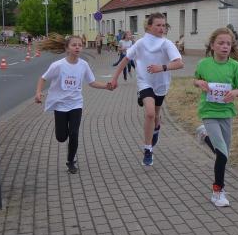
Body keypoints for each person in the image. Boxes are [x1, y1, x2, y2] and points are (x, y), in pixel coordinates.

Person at [109, 13, 184, 166]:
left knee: (156, 115)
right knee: (149, 113)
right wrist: (114, 78)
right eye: (158, 25)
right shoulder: (140, 43)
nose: (162, 28)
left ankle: (156, 128)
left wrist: (161, 67)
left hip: (161, 84)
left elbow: (179, 63)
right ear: (149, 26)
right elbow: (125, 59)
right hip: (144, 81)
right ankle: (148, 149)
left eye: (163, 25)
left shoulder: (167, 44)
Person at [35, 35, 114, 174]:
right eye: (74, 45)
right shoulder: (58, 65)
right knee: (61, 137)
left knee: (74, 133)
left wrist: (106, 86)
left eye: (80, 45)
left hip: (76, 104)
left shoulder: (83, 65)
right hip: (60, 104)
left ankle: (70, 161)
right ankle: (63, 137)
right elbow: (43, 78)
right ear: (67, 48)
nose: (77, 47)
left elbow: (92, 82)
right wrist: (38, 92)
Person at [193, 28, 238, 207]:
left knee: (224, 153)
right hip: (209, 112)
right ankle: (217, 191)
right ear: (212, 45)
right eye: (221, 43)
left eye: (228, 44)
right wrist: (199, 82)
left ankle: (204, 136)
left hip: (226, 113)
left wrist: (234, 93)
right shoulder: (203, 64)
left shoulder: (235, 66)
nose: (225, 46)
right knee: (223, 155)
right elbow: (196, 80)